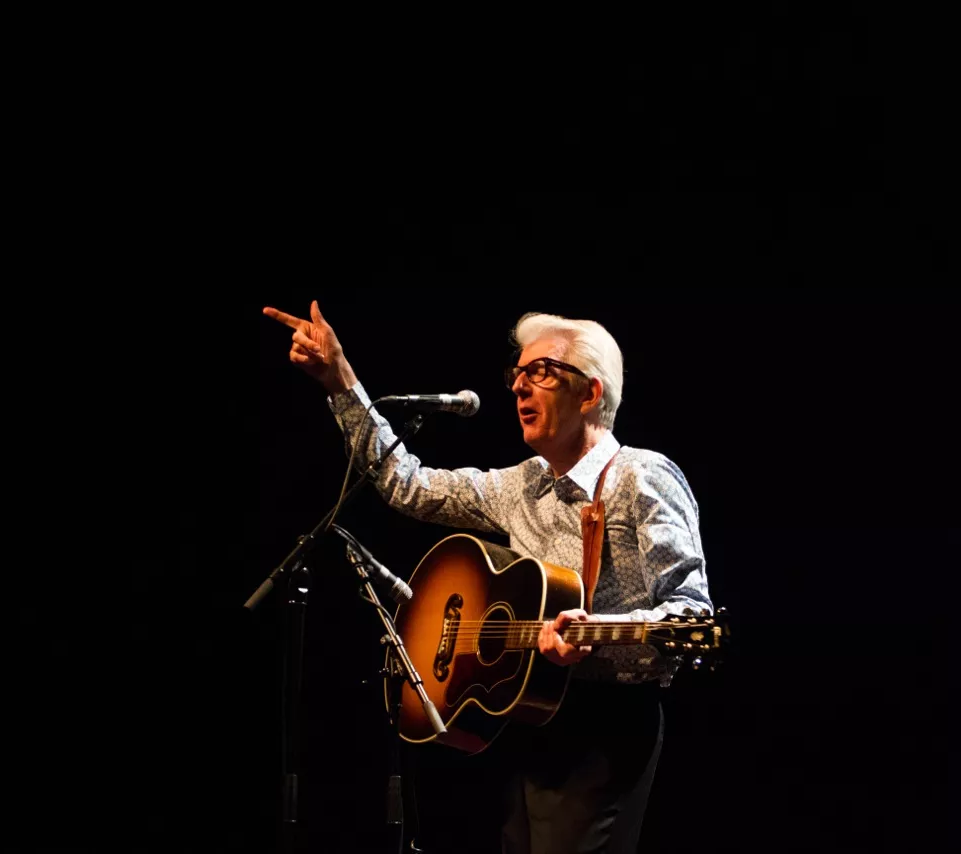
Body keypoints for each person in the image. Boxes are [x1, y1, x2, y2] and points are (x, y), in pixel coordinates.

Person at [263, 300, 713, 854]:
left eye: (541, 373)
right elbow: (408, 484)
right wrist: (341, 383)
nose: (520, 388)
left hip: (606, 730)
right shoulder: (519, 485)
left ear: (590, 393)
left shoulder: (642, 478)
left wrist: (592, 634)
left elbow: (690, 613)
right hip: (527, 721)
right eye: (517, 375)